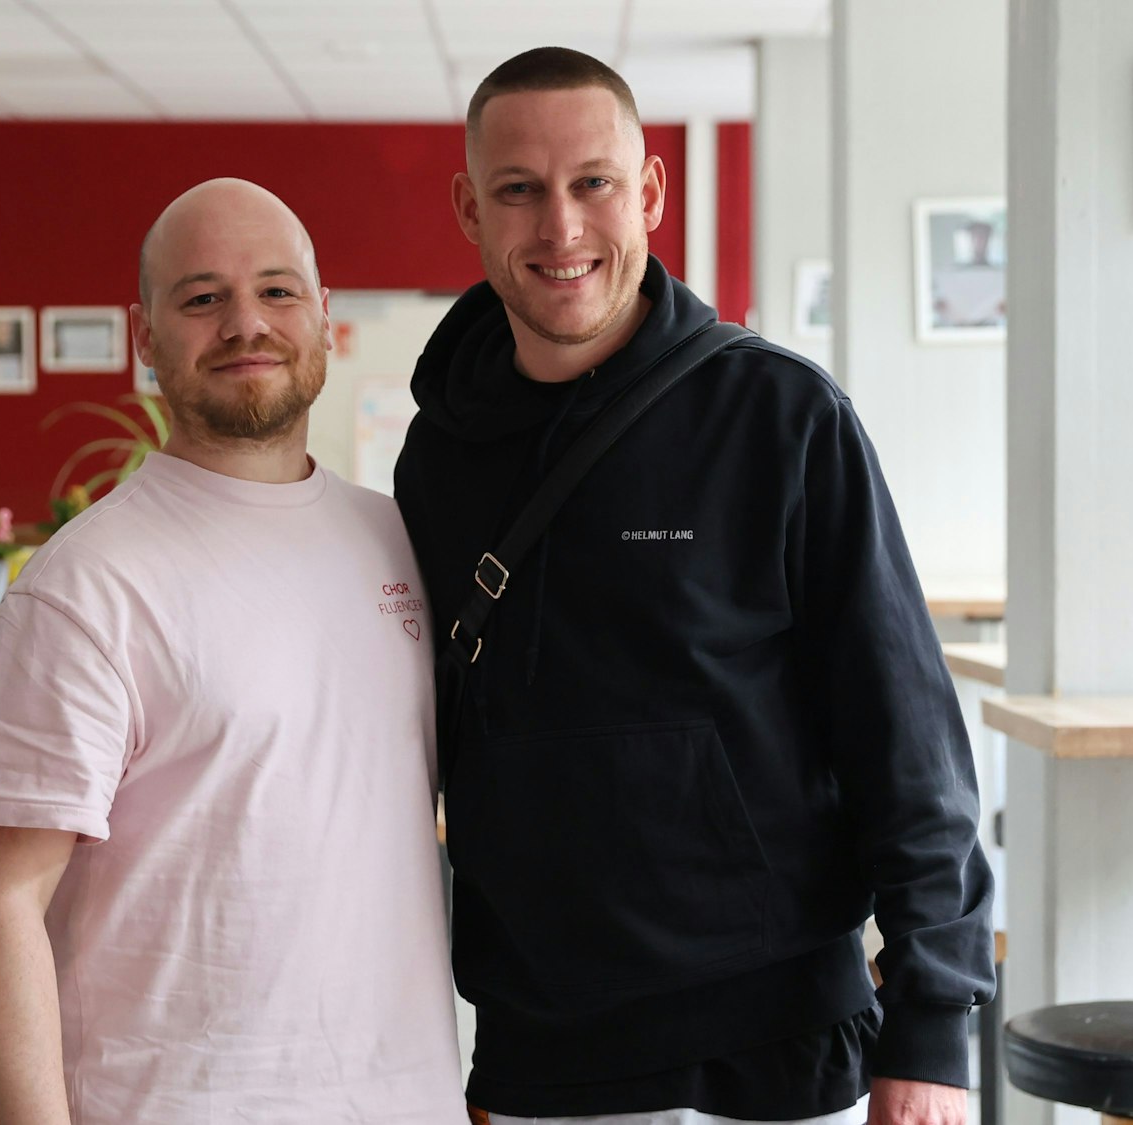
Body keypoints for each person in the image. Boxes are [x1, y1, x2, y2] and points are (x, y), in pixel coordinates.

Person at [393, 48, 995, 1125]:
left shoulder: (780, 419)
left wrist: (934, 1024)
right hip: (543, 1050)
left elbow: (904, 740)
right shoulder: (437, 459)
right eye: (518, 191)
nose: (560, 228)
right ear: (467, 210)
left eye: (593, 183)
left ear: (650, 193)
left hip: (777, 1040)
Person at [0, 178, 465, 1125]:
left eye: (276, 291)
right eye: (201, 298)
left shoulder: (396, 541)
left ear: (321, 314)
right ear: (147, 338)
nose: (244, 324)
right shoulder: (86, 587)